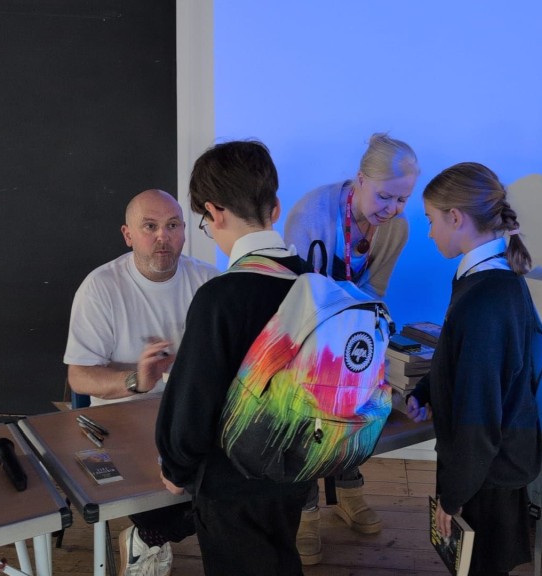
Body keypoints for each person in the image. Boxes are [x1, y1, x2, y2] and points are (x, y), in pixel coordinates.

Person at [154, 140, 313, 576]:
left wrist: (177, 465)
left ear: (215, 212)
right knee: (280, 554)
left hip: (231, 481)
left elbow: (194, 398)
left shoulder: (220, 298)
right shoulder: (312, 282)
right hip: (296, 467)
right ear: (275, 208)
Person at [64, 188, 219, 576]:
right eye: (149, 227)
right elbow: (79, 375)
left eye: (172, 226)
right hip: (123, 420)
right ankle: (151, 535)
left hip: (192, 414)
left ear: (185, 231)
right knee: (184, 490)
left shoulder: (210, 282)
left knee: (236, 481)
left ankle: (148, 537)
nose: (162, 237)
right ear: (128, 234)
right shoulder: (101, 288)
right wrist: (137, 379)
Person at [283, 132, 419, 563]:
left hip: (353, 327)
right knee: (306, 410)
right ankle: (303, 507)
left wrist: (359, 342)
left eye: (402, 200)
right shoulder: (309, 213)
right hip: (305, 328)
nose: (392, 210)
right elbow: (298, 294)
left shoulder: (396, 229)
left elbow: (374, 290)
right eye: (385, 196)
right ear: (359, 179)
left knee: (357, 400)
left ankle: (349, 488)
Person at [405, 162, 541, 576]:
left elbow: (480, 412)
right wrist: (427, 390)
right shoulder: (485, 279)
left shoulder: (487, 298)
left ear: (456, 217)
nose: (429, 232)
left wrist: (454, 494)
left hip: (486, 473)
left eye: (430, 220)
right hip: (483, 466)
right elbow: (463, 359)